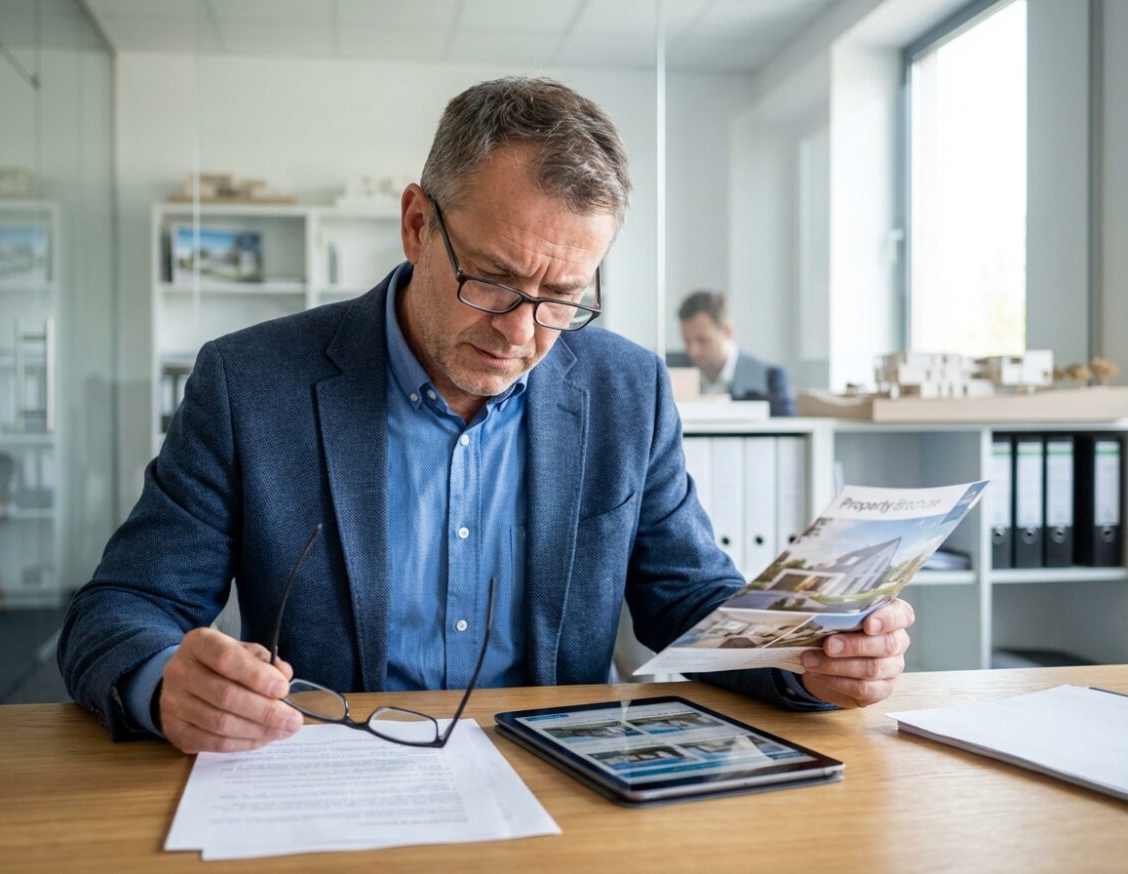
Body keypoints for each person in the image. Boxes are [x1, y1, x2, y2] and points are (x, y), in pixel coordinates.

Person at [58, 77, 913, 755]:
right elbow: (122, 607)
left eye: (562, 299)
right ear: (416, 223)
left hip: (554, 779)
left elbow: (686, 599)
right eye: (495, 281)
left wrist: (809, 656)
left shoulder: (627, 389)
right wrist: (165, 678)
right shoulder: (252, 383)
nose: (521, 333)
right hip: (323, 771)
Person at [677, 290, 796, 416]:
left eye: (703, 340)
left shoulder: (770, 380)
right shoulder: (669, 375)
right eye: (687, 341)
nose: (692, 351)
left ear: (727, 331)